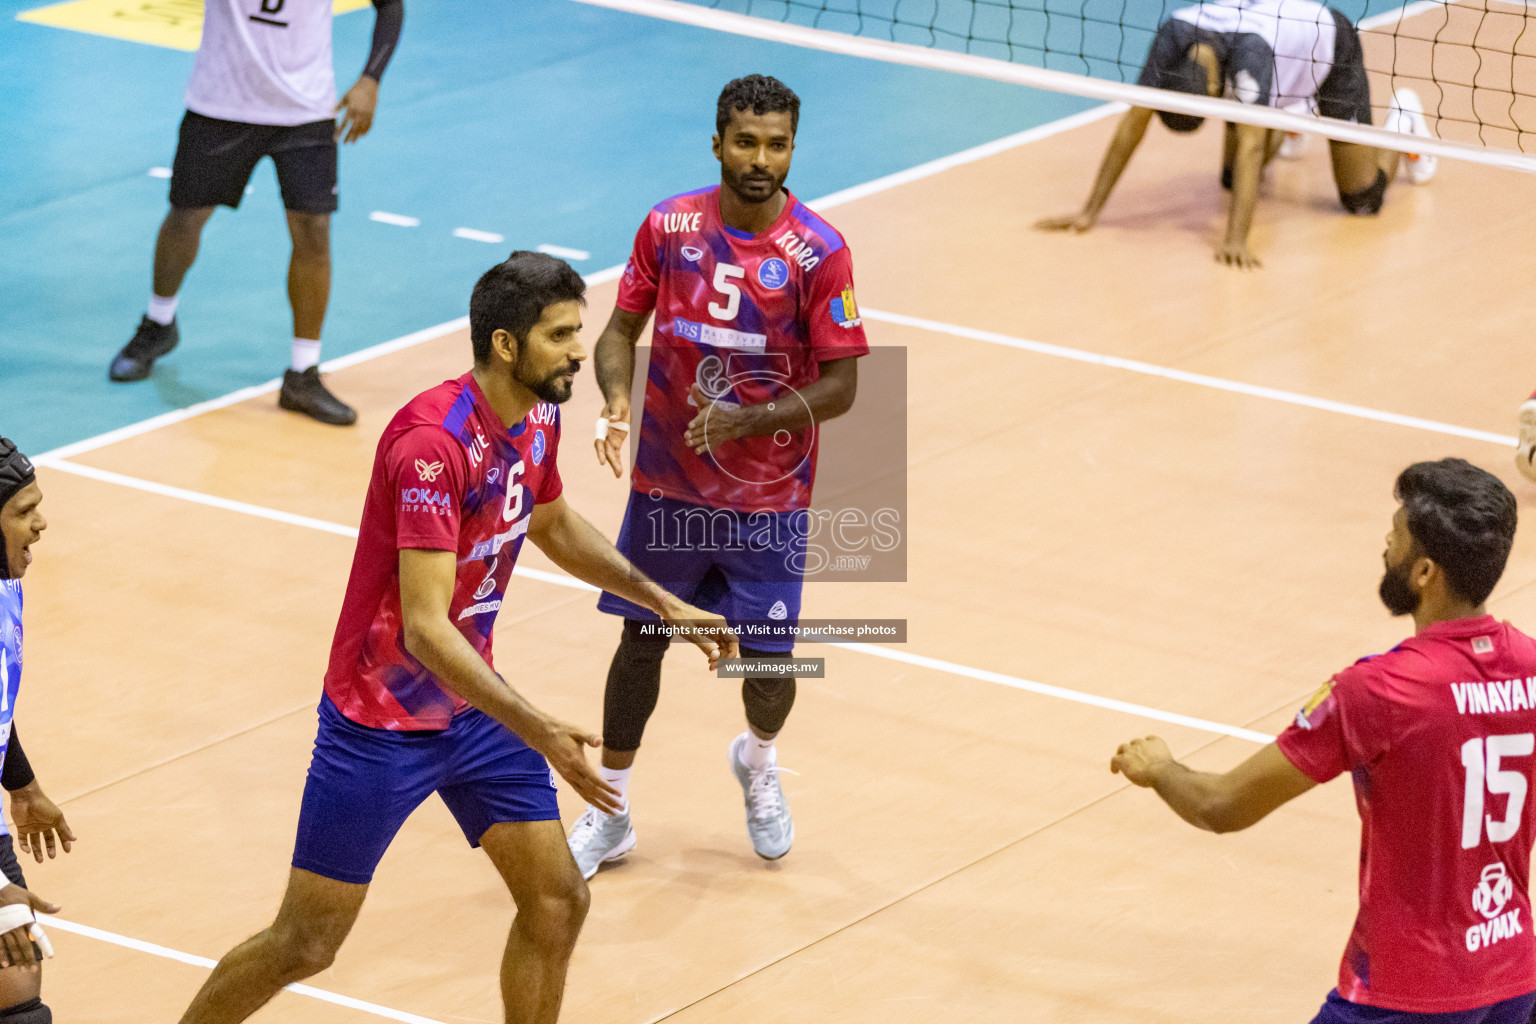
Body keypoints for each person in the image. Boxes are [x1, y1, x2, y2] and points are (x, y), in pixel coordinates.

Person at [174, 253, 737, 1024]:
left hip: (473, 713)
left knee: (556, 900)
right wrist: (539, 731)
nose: (582, 349)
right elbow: (426, 629)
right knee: (306, 943)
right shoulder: (430, 447)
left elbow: (551, 525)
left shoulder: (538, 416)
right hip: (380, 726)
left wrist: (666, 604)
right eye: (561, 334)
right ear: (506, 345)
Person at [565, 74, 868, 877]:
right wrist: (616, 401)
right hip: (667, 485)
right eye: (745, 142)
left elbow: (842, 387)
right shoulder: (669, 226)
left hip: (768, 500)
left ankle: (758, 762)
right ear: (717, 143)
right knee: (642, 641)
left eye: (776, 144)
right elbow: (618, 331)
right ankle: (612, 811)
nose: (760, 159)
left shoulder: (819, 252)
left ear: (792, 148)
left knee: (768, 674)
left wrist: (749, 420)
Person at [1111, 458, 1536, 1022]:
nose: (1386, 542)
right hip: (1514, 982)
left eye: (1398, 533)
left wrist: (1160, 768)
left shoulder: (1377, 690)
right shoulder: (1531, 666)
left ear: (1425, 571)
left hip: (1405, 996)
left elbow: (1222, 806)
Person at [108, 0, 406, 425]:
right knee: (186, 216)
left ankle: (302, 374)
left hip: (305, 110)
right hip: (219, 105)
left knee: (313, 233)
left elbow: (390, 5)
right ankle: (158, 324)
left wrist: (370, 80)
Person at [1036, 0, 1436, 268]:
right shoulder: (1173, 38)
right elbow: (1132, 124)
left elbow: (1248, 148)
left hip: (1328, 48)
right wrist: (1090, 212)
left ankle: (1401, 122)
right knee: (1233, 182)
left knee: (1362, 200)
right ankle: (1286, 115)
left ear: (1215, 92)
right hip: (1273, 57)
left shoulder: (1251, 55)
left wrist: (1236, 239)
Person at [0, 440, 83, 1024]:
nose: (41, 523)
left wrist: (22, 785)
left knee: (16, 979)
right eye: (23, 511)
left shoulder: (4, 583)